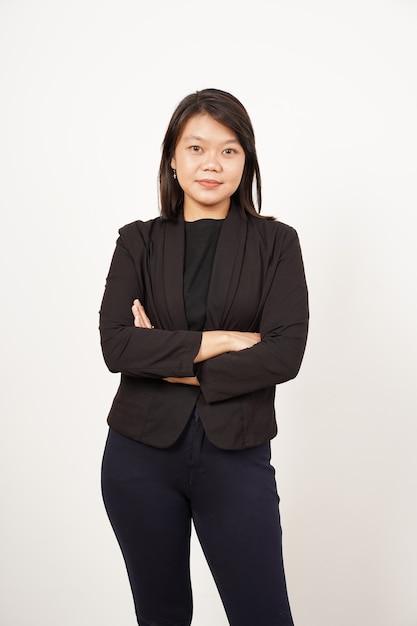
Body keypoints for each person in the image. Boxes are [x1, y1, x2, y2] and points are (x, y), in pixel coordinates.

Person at [99, 88, 309, 626]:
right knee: (161, 614)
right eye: (195, 148)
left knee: (263, 615)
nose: (210, 163)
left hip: (235, 453)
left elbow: (284, 355)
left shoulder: (276, 243)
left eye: (228, 150)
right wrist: (224, 340)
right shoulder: (137, 242)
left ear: (246, 161)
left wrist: (165, 361)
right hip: (139, 455)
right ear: (173, 156)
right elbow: (117, 344)